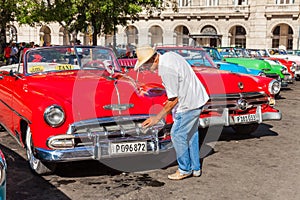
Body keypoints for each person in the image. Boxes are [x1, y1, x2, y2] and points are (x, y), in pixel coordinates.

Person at [134, 45, 209, 180]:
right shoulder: (169, 56)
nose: (145, 68)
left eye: (145, 64)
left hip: (188, 105)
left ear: (154, 59)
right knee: (191, 134)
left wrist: (156, 119)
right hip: (196, 99)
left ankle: (184, 169)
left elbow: (173, 100)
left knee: (177, 134)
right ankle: (195, 168)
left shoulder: (166, 70)